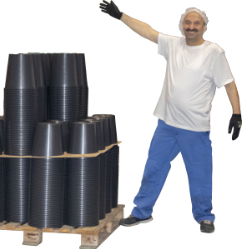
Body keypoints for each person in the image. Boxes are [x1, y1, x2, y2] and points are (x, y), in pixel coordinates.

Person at [99, 1, 241, 233]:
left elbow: (229, 84)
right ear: (182, 25)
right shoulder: (174, 45)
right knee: (153, 168)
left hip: (195, 128)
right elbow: (148, 31)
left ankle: (204, 216)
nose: (191, 27)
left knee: (200, 174)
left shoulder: (214, 52)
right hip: (166, 124)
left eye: (197, 23)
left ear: (204, 27)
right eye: (188, 22)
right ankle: (142, 212)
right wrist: (121, 15)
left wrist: (237, 113)